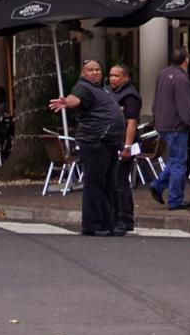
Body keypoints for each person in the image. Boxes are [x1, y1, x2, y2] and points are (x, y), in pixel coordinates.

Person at [49, 59, 126, 236]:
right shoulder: (83, 87)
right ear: (83, 73)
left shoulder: (102, 89)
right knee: (95, 183)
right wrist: (66, 103)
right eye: (90, 70)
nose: (94, 73)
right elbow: (75, 99)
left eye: (97, 69)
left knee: (108, 183)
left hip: (108, 142)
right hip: (94, 141)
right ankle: (91, 224)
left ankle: (108, 223)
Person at [149, 48, 190, 211]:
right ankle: (175, 199)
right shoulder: (181, 79)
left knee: (175, 159)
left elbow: (156, 99)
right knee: (179, 162)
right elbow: (184, 106)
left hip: (163, 123)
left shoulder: (162, 74)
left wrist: (156, 118)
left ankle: (158, 186)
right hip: (177, 125)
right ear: (187, 59)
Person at [107, 64, 142, 234]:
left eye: (116, 75)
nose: (112, 78)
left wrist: (127, 146)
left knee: (121, 181)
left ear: (125, 78)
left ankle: (126, 218)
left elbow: (132, 122)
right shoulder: (111, 93)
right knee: (114, 181)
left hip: (126, 144)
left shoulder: (130, 96)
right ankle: (115, 216)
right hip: (114, 142)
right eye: (111, 75)